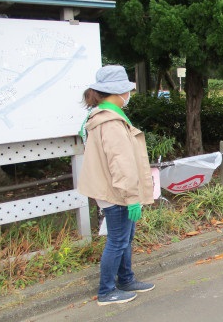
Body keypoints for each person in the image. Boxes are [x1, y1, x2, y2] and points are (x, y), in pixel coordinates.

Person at [77, 65, 155, 306]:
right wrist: (132, 198)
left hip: (113, 189)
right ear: (119, 92)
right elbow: (121, 165)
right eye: (127, 90)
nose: (129, 95)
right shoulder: (110, 122)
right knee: (118, 240)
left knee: (124, 238)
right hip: (117, 192)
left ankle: (126, 280)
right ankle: (107, 291)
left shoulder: (104, 117)